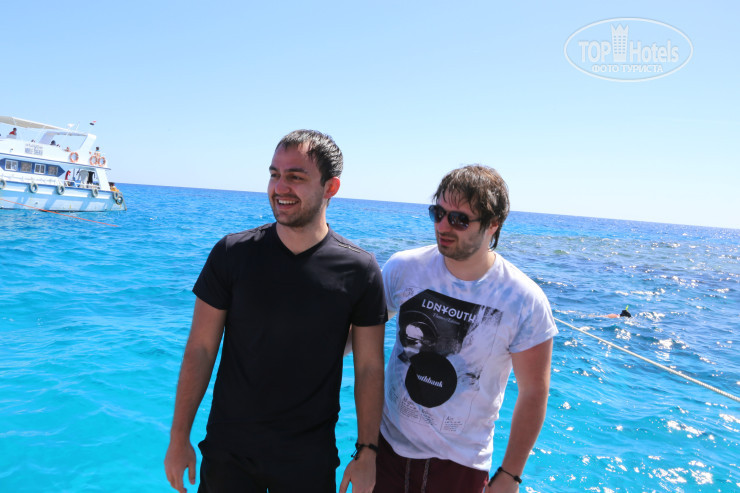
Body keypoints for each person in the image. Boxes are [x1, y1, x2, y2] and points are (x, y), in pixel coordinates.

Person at [164, 130, 387, 493]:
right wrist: (179, 438)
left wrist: (367, 452)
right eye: (274, 174)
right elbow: (201, 349)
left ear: (330, 187)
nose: (280, 187)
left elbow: (369, 367)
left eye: (295, 177)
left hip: (309, 458)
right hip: (229, 452)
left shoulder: (360, 270)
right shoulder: (232, 254)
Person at [375, 165, 558, 493]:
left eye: (459, 219)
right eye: (438, 213)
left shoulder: (524, 299)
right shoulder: (404, 268)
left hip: (460, 466)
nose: (443, 226)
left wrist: (510, 475)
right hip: (387, 450)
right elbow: (363, 335)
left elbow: (534, 392)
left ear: (493, 224)